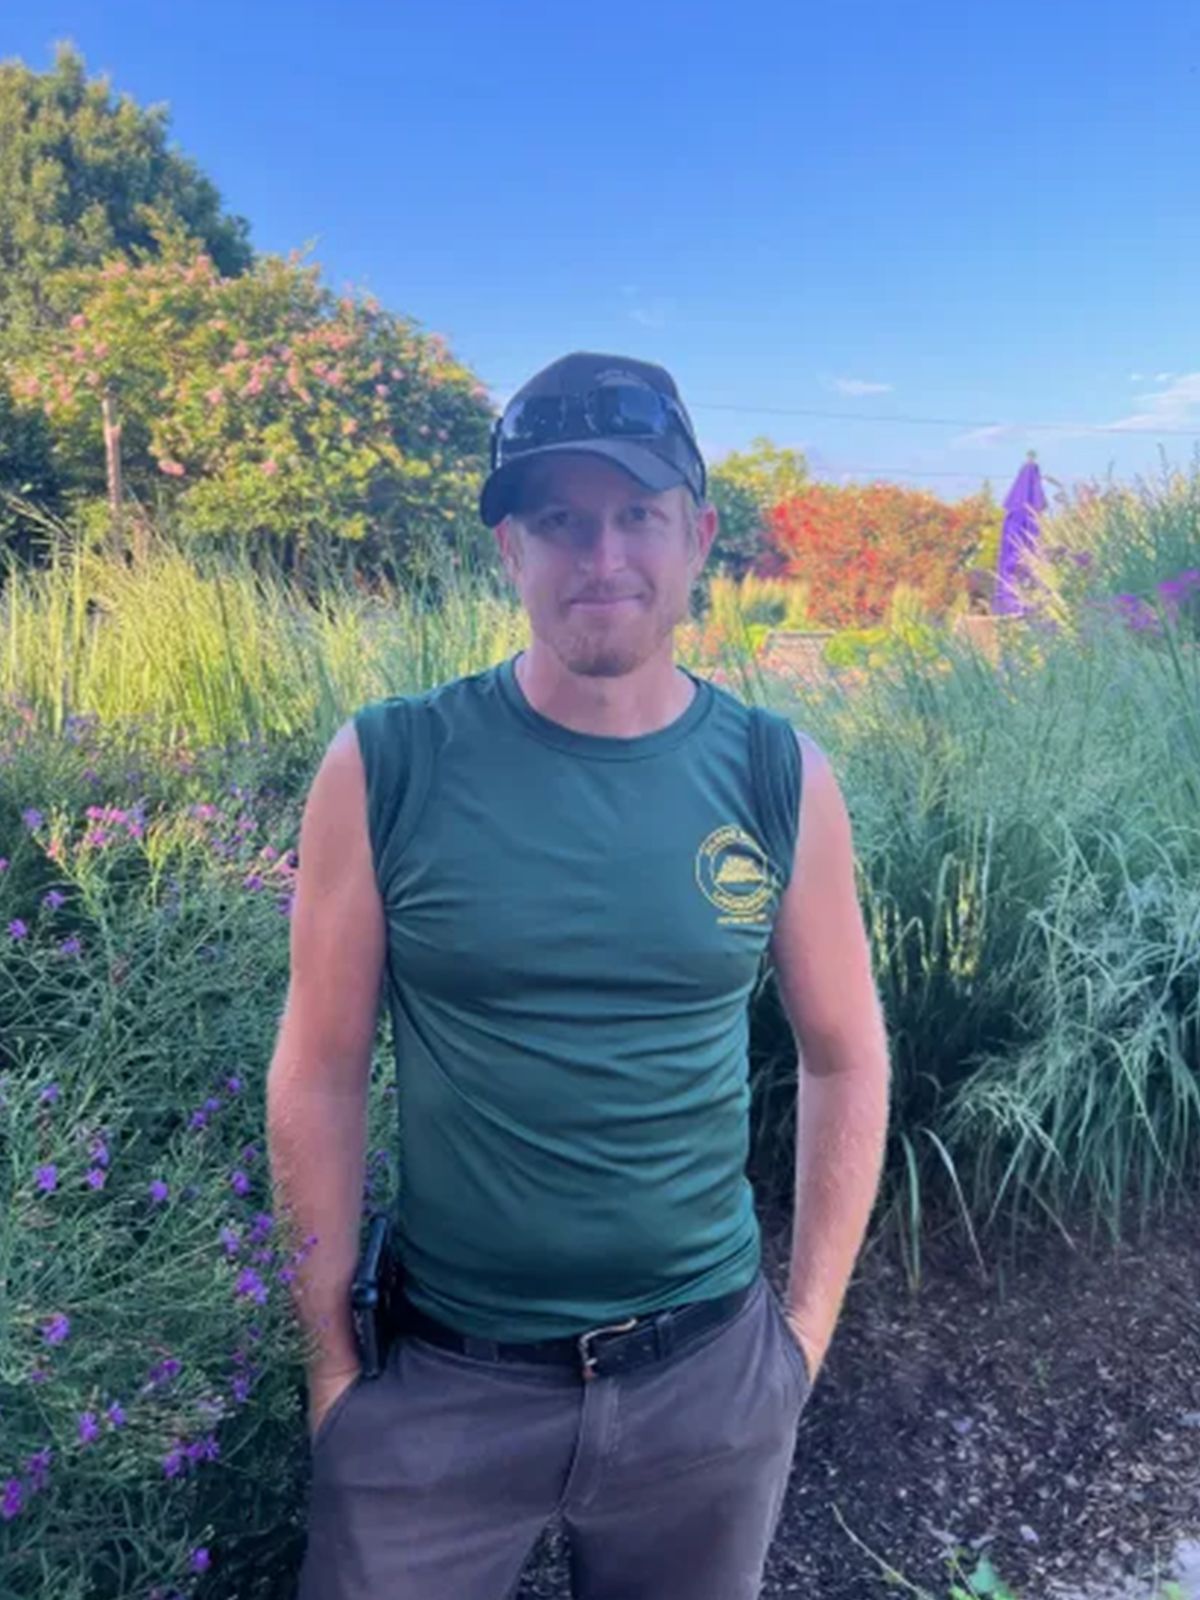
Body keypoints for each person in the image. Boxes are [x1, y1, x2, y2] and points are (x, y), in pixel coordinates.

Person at [267, 351, 891, 1599]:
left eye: (636, 514)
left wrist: (800, 1342)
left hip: (706, 1382)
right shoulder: (387, 765)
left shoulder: (780, 779)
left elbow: (847, 1052)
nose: (600, 554)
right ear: (509, 546)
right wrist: (332, 1369)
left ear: (699, 535)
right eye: (558, 518)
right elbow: (320, 1068)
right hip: (443, 1390)